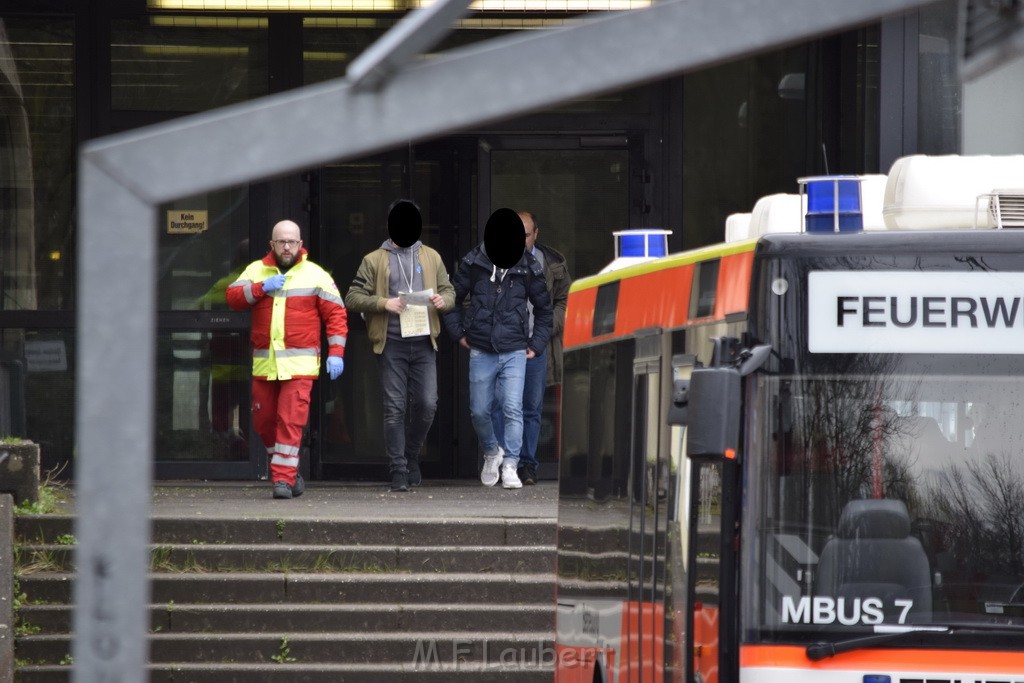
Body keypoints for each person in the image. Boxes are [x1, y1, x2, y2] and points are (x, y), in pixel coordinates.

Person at [227, 219, 348, 499]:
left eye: (291, 241)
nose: (286, 246)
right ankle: (290, 471)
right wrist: (260, 288)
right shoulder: (256, 270)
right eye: (281, 241)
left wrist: (336, 354)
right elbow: (233, 297)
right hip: (265, 365)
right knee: (263, 422)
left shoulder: (316, 275)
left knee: (289, 421)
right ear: (271, 244)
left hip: (300, 365)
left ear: (300, 244)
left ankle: (281, 480)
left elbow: (336, 316)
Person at [344, 199, 455, 493]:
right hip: (391, 343)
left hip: (424, 343)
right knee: (394, 408)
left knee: (427, 404)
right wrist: (383, 303)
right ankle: (398, 469)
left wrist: (445, 301)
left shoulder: (431, 256)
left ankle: (411, 454)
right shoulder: (374, 259)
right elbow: (352, 298)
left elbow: (449, 291)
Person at [444, 208, 553, 489]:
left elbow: (544, 310)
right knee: (479, 410)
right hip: (481, 347)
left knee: (513, 408)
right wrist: (458, 334)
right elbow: (450, 297)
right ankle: (493, 452)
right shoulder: (475, 261)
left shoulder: (530, 266)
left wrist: (536, 345)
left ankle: (511, 464)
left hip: (516, 348)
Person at [490, 211, 571, 485]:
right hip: (504, 345)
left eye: (525, 234)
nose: (520, 239)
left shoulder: (552, 263)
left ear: (536, 233)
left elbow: (564, 301)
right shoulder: (492, 260)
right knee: (502, 404)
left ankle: (528, 464)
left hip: (537, 344)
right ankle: (505, 462)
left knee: (531, 407)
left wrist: (545, 332)